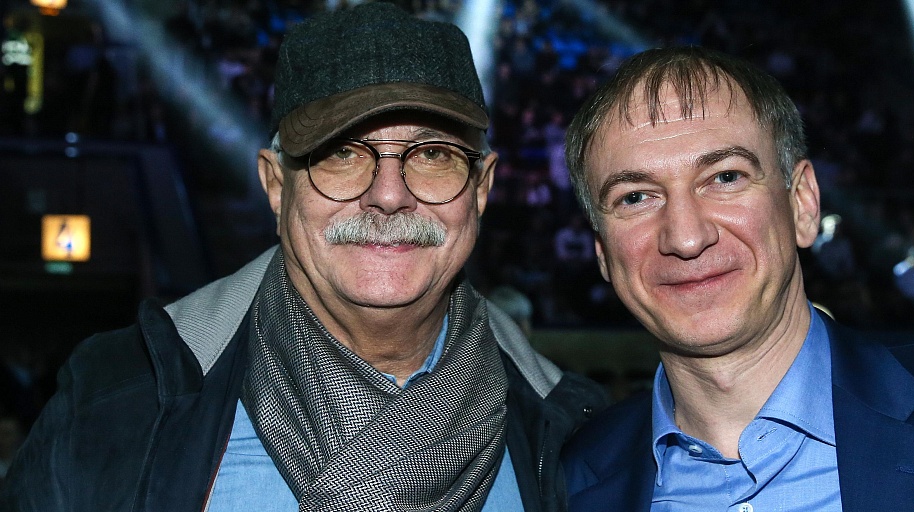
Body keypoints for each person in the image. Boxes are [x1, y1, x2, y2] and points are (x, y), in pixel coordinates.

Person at [1, 4, 607, 511]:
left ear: (480, 188)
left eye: (432, 155)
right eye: (340, 153)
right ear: (275, 185)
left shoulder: (579, 438)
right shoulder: (114, 402)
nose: (388, 194)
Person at [559, 45, 914, 511]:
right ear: (603, 253)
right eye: (635, 198)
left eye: (725, 178)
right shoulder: (568, 484)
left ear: (803, 205)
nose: (686, 237)